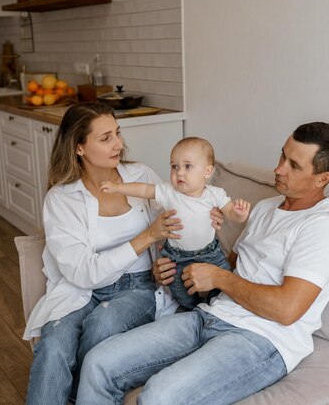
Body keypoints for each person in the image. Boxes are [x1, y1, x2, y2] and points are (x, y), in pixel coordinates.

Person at [76, 121, 329, 405]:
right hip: (211, 315)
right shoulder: (268, 207)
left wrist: (218, 278)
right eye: (282, 155)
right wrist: (181, 262)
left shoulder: (323, 228)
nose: (279, 168)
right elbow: (231, 266)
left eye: (294, 165)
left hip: (261, 340)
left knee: (160, 395)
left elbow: (286, 310)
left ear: (322, 178)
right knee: (99, 362)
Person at [22, 102, 223, 405]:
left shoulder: (139, 174)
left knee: (103, 325)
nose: (118, 144)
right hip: (78, 290)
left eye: (117, 133)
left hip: (137, 288)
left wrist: (211, 215)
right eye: (105, 139)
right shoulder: (61, 198)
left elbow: (183, 206)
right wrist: (146, 237)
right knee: (53, 346)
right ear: (79, 147)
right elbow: (82, 273)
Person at [99, 136, 250, 309]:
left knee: (227, 283)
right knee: (178, 289)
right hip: (177, 257)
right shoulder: (168, 191)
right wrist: (117, 188)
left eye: (188, 166)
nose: (179, 172)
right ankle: (193, 309)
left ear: (207, 172)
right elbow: (143, 189)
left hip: (211, 253)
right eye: (174, 166)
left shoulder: (215, 194)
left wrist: (240, 214)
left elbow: (231, 212)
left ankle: (214, 306)